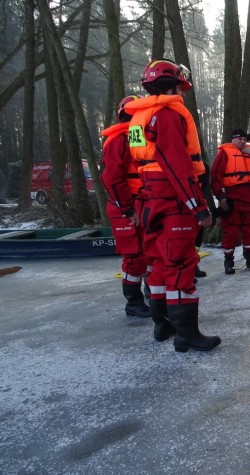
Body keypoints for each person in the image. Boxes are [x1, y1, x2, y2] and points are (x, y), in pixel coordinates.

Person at [125, 59, 220, 352]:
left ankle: (162, 324)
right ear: (174, 84)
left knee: (158, 264)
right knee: (180, 264)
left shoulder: (140, 117)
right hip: (172, 199)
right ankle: (186, 334)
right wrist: (198, 206)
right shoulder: (166, 115)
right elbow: (176, 165)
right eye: (180, 84)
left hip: (150, 199)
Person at [100, 95, 151, 319]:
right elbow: (112, 178)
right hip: (127, 207)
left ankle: (152, 293)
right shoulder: (119, 140)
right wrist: (128, 210)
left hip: (143, 202)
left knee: (150, 252)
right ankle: (133, 302)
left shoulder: (138, 138)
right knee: (135, 256)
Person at [211, 127, 250, 274]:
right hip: (232, 199)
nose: (242, 141)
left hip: (249, 198)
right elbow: (215, 176)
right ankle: (228, 261)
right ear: (232, 139)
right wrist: (221, 197)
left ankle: (249, 258)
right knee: (230, 230)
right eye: (239, 139)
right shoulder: (225, 153)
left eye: (244, 139)